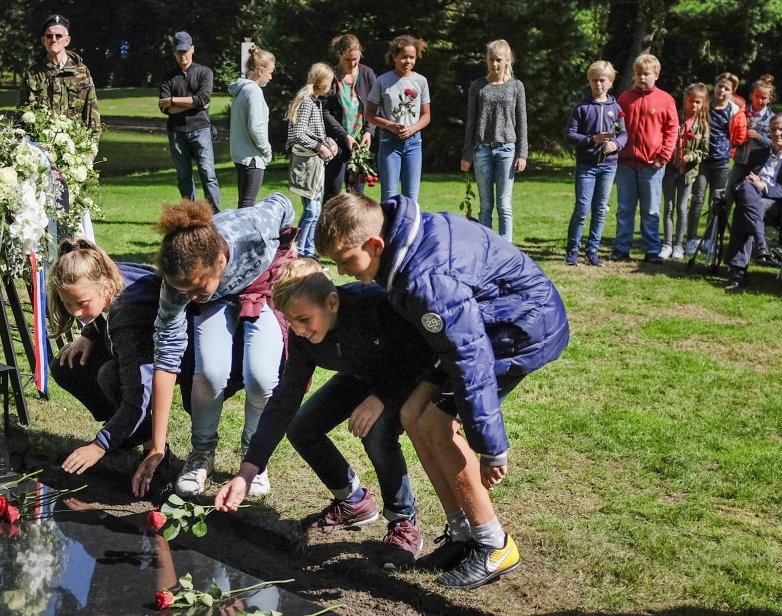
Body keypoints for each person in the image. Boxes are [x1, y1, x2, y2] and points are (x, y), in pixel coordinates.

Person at [315, 193, 569, 589]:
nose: (344, 272)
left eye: (346, 261)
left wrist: (491, 445)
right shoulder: (404, 245)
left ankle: (494, 545)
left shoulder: (427, 282)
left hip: (517, 331)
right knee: (410, 414)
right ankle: (462, 534)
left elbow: (471, 359)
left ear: (375, 244)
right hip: (479, 325)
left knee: (435, 424)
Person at [215, 258, 437, 569]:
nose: (300, 330)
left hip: (409, 375)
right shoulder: (301, 334)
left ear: (332, 302)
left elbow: (420, 353)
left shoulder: (373, 305)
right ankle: (354, 501)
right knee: (302, 426)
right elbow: (285, 399)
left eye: (305, 319)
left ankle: (403, 521)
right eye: (291, 322)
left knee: (377, 433)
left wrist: (381, 398)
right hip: (362, 374)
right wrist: (247, 472)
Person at [131, 193, 296, 502]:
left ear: (220, 260)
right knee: (209, 372)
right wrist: (157, 445)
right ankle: (202, 452)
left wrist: (287, 251)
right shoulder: (179, 283)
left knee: (262, 376)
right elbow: (166, 357)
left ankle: (253, 456)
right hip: (219, 300)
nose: (188, 296)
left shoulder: (255, 229)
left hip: (260, 287)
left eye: (196, 287)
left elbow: (282, 202)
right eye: (183, 290)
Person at [47, 238, 182, 485]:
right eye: (68, 304)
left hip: (176, 358)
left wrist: (100, 445)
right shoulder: (105, 272)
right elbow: (99, 309)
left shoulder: (128, 314)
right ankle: (126, 433)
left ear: (105, 289)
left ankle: (151, 449)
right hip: (133, 345)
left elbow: (139, 396)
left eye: (81, 304)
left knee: (109, 376)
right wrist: (89, 333)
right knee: (66, 365)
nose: (75, 312)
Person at [609, 54, 678, 264]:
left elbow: (672, 130)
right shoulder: (625, 98)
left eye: (646, 74)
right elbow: (616, 127)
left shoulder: (665, 100)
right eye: (638, 74)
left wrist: (663, 157)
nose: (641, 78)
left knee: (650, 209)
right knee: (624, 208)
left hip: (652, 164)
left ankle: (651, 249)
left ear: (656, 75)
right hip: (626, 163)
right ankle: (621, 248)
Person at [723, 113, 782, 288]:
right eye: (773, 129)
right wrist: (745, 186)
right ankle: (760, 245)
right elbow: (738, 183)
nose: (777, 133)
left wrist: (764, 188)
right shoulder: (758, 154)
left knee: (747, 207)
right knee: (747, 194)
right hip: (756, 203)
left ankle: (739, 269)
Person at [461, 39, 528, 243]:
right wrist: (467, 154)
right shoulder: (478, 86)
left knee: (504, 204)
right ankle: (486, 246)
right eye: (491, 60)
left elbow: (522, 120)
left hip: (507, 149)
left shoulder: (516, 86)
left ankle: (506, 249)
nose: (495, 64)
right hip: (482, 149)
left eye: (499, 60)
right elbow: (471, 121)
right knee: (485, 205)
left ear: (508, 61)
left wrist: (522, 153)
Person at [563, 60, 627, 266]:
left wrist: (615, 144)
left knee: (600, 209)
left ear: (611, 82)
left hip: (609, 166)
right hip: (586, 165)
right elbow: (570, 135)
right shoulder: (582, 107)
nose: (598, 84)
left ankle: (593, 249)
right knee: (582, 208)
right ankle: (573, 248)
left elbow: (624, 134)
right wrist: (592, 139)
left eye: (602, 80)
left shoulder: (616, 108)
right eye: (594, 80)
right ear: (589, 81)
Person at [683, 72, 747, 259]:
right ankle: (691, 239)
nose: (722, 90)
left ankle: (711, 239)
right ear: (715, 87)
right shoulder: (706, 106)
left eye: (727, 89)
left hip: (722, 163)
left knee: (716, 203)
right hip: (702, 162)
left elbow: (738, 135)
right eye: (720, 86)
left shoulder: (734, 111)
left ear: (732, 92)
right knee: (697, 200)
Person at [159, 31, 221, 213]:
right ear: (174, 53)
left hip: (201, 129)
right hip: (176, 131)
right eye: (179, 52)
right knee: (184, 177)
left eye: (185, 51)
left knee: (208, 174)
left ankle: (216, 215)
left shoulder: (204, 72)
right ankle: (192, 215)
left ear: (192, 49)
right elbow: (164, 108)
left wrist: (173, 100)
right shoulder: (168, 77)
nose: (182, 55)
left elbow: (203, 98)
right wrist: (194, 103)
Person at [365, 35, 431, 203]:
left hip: (414, 144)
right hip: (389, 143)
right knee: (389, 196)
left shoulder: (421, 81)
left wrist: (413, 128)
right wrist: (389, 125)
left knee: (411, 197)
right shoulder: (383, 81)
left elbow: (426, 115)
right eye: (404, 57)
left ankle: (409, 229)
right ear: (394, 57)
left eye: (412, 57)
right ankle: (389, 229)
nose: (408, 61)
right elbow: (369, 113)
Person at [286, 63, 337, 259]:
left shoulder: (315, 101)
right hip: (308, 164)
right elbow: (299, 134)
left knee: (314, 210)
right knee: (312, 210)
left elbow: (312, 131)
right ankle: (301, 250)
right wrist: (320, 147)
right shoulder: (307, 102)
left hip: (316, 163)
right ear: (323, 83)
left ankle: (307, 250)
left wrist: (329, 143)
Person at [19, 14, 100, 134]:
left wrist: (91, 146)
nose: (54, 39)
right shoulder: (32, 74)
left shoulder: (81, 71)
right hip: (39, 146)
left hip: (74, 144)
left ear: (67, 41)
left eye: (59, 36)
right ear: (43, 40)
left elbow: (91, 110)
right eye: (49, 36)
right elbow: (22, 111)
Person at [726, 74, 777, 262]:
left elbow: (776, 144)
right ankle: (712, 236)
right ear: (752, 95)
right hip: (740, 163)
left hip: (758, 168)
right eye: (757, 97)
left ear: (770, 98)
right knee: (727, 198)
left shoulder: (772, 119)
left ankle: (752, 242)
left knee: (750, 203)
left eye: (764, 98)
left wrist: (760, 138)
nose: (760, 101)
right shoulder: (742, 113)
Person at [322, 34, 378, 199]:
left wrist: (369, 131)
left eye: (356, 58)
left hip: (360, 144)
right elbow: (324, 112)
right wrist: (344, 136)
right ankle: (327, 224)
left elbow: (374, 107)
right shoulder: (331, 77)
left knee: (357, 194)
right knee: (333, 192)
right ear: (340, 54)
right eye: (348, 60)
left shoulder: (367, 74)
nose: (353, 64)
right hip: (336, 144)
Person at [661, 83, 709, 261]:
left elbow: (704, 151)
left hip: (688, 173)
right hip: (670, 169)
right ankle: (667, 243)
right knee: (668, 207)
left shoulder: (702, 126)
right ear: (685, 100)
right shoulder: (675, 118)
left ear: (703, 103)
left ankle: (679, 245)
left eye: (698, 102)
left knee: (682, 208)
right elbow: (666, 137)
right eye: (691, 101)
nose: (694, 105)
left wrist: (690, 157)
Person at [228, 46, 276, 209]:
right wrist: (266, 149)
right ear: (261, 70)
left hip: (241, 155)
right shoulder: (254, 91)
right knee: (248, 206)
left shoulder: (241, 90)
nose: (271, 77)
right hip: (252, 157)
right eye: (270, 72)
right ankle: (242, 234)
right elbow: (256, 126)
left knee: (243, 203)